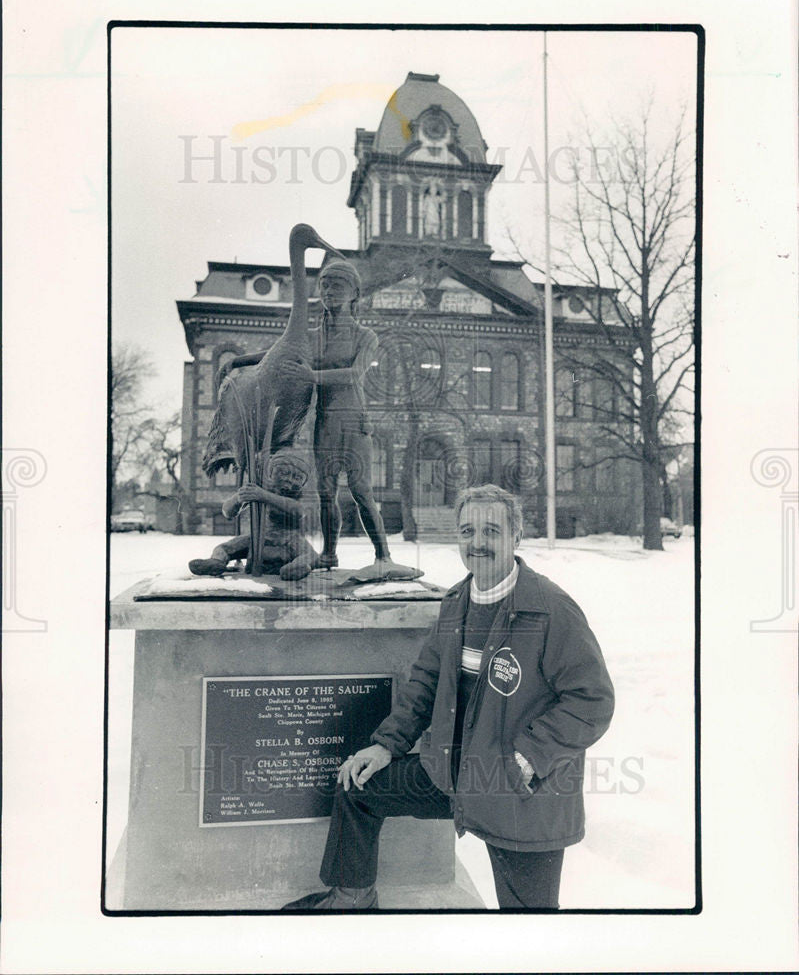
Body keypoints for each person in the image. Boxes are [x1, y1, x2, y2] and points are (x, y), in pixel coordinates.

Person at [283, 484, 615, 910]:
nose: (477, 543)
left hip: (520, 793)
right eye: (467, 532)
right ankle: (351, 898)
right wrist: (387, 745)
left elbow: (592, 700)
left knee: (530, 928)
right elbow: (425, 681)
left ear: (516, 537)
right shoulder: (456, 602)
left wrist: (529, 756)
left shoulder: (550, 609)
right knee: (358, 785)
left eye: (491, 531)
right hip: (451, 778)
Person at [281, 258, 393, 570]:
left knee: (360, 490)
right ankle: (329, 553)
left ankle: (383, 556)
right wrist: (239, 362)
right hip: (325, 420)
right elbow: (281, 354)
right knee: (326, 493)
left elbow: (354, 374)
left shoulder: (365, 336)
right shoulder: (311, 335)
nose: (330, 291)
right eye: (325, 285)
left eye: (338, 285)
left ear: (354, 292)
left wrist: (312, 376)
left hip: (354, 420)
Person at [188, 447, 321, 581]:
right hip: (259, 537)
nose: (290, 480)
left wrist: (263, 495)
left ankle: (295, 568)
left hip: (289, 538)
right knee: (223, 548)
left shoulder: (298, 495)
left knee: (311, 555)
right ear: (271, 472)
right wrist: (239, 498)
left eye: (297, 477)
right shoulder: (259, 489)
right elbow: (227, 512)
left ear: (303, 482)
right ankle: (216, 562)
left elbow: (298, 510)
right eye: (283, 473)